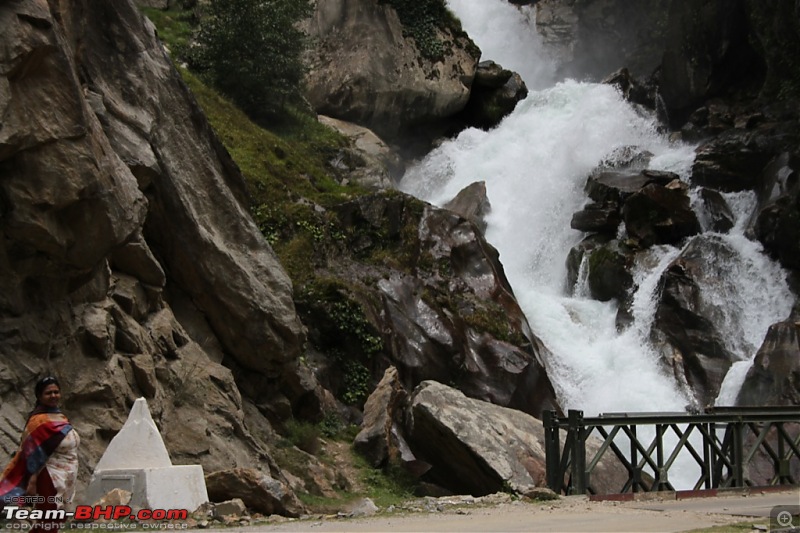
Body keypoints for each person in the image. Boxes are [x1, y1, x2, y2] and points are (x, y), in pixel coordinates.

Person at [0, 376, 80, 531]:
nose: (53, 396)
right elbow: (31, 455)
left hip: (66, 476)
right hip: (49, 475)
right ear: (39, 396)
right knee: (47, 517)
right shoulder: (38, 421)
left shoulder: (59, 416)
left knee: (58, 517)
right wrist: (32, 481)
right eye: (48, 393)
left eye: (56, 392)